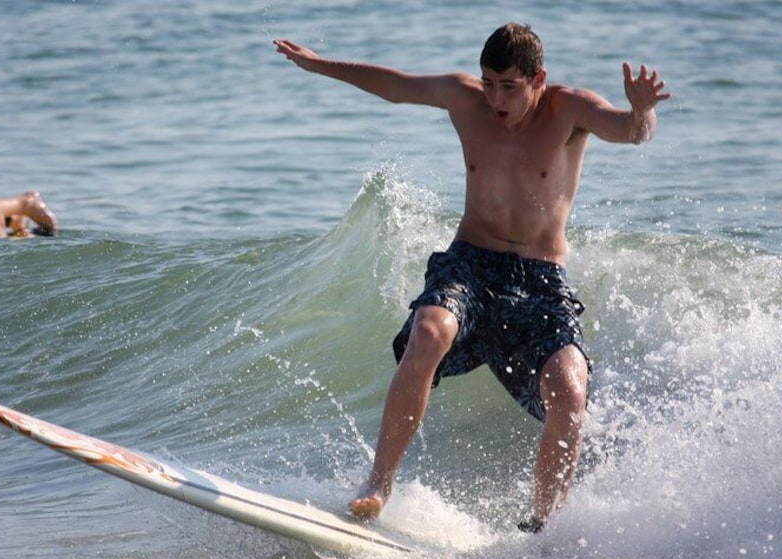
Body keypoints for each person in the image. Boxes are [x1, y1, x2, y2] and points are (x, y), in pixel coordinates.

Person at [275, 22, 670, 531]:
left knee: (571, 391)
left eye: (509, 87)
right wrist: (317, 64)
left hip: (541, 280)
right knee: (429, 330)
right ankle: (377, 485)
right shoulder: (466, 100)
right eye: (489, 83)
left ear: (538, 80)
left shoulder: (569, 110)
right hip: (471, 264)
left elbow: (633, 132)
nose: (497, 99)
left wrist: (643, 110)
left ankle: (544, 531)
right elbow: (395, 86)